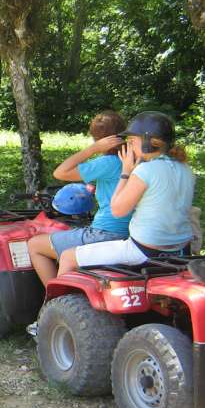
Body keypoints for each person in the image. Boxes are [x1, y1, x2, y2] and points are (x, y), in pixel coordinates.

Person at [57, 111, 195, 276]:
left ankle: (59, 302)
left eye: (132, 140)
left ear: (148, 142)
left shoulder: (145, 170)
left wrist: (126, 172)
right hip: (181, 250)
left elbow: (117, 210)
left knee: (67, 257)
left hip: (144, 250)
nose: (129, 145)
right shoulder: (185, 169)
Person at [27, 110, 131, 287]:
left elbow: (60, 172)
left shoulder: (106, 162)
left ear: (98, 140)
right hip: (132, 232)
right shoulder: (135, 159)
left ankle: (54, 300)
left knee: (34, 245)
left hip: (106, 232)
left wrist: (93, 149)